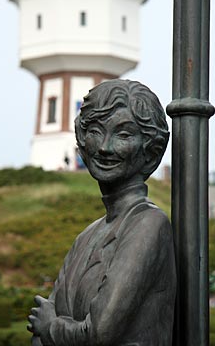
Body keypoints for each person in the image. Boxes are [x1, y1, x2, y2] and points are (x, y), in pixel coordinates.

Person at [28, 79, 176, 346]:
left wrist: (52, 327)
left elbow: (98, 333)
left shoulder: (148, 225)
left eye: (123, 134)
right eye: (96, 131)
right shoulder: (86, 236)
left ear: (151, 152)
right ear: (82, 139)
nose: (105, 147)